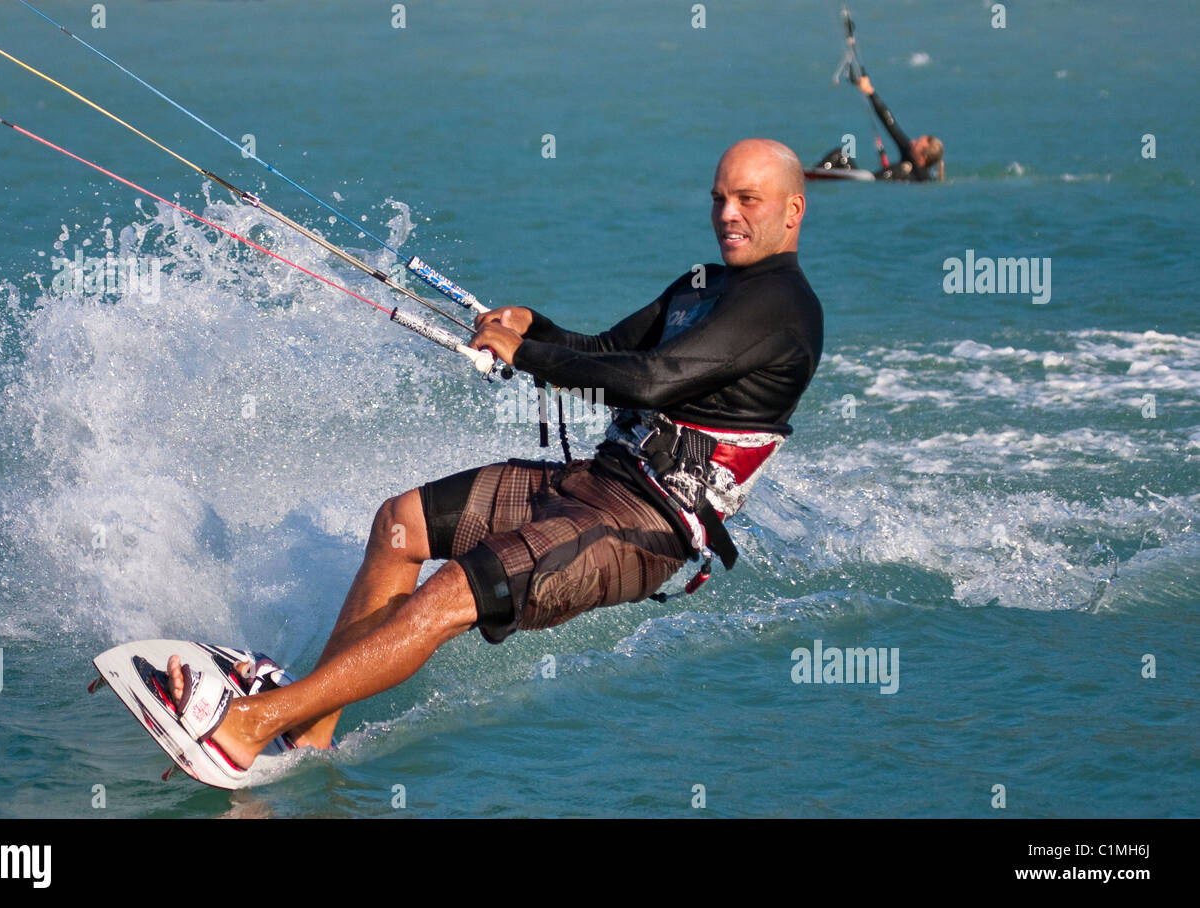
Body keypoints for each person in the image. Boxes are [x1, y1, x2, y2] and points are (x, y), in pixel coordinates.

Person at [163, 138, 825, 777]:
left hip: (642, 530)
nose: (727, 216)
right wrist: (536, 329)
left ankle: (247, 726)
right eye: (718, 199)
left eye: (748, 200)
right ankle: (310, 732)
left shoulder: (781, 306)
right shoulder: (703, 283)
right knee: (402, 524)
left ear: (792, 210)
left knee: (451, 594)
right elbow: (605, 358)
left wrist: (528, 355)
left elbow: (652, 381)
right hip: (595, 482)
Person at [857, 74, 944, 181]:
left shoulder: (922, 179)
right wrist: (870, 92)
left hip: (877, 182)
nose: (912, 142)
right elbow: (890, 123)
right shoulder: (909, 151)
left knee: (904, 168)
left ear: (922, 159)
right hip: (872, 178)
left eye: (917, 144)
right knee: (839, 155)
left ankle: (869, 180)